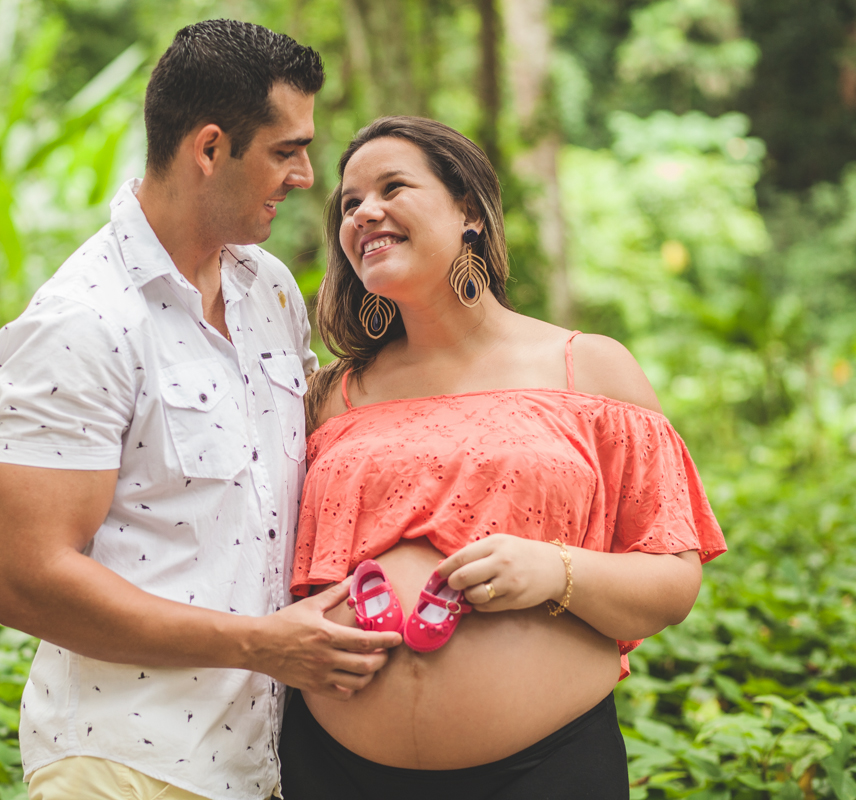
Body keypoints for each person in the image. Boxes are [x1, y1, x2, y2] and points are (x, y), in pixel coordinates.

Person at [0, 20, 401, 800]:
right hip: (121, 768)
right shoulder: (84, 321)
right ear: (209, 149)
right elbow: (27, 580)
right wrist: (263, 645)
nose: (308, 176)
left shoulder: (268, 286)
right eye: (287, 150)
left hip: (262, 766)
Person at [277, 116, 727, 799]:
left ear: (469, 214)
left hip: (546, 768)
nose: (364, 212)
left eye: (392, 186)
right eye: (348, 204)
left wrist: (556, 569)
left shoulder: (588, 368)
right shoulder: (328, 396)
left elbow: (672, 585)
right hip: (332, 769)